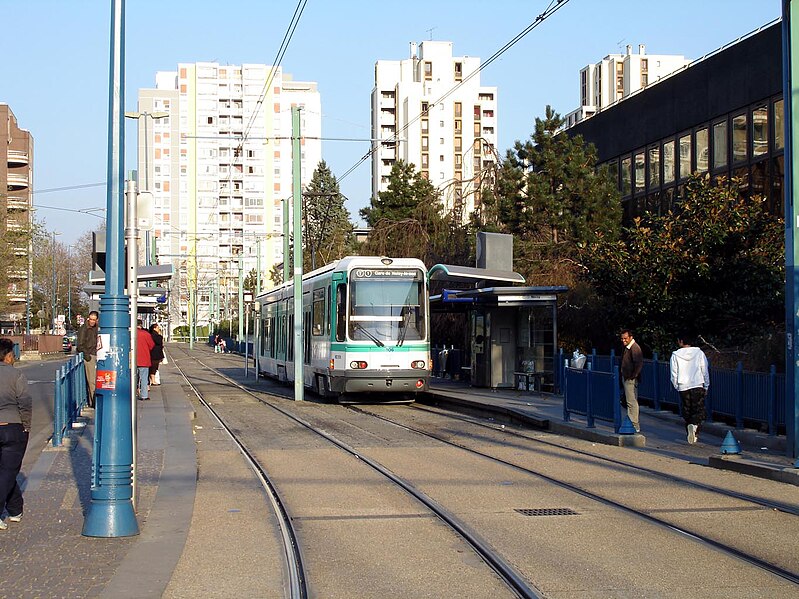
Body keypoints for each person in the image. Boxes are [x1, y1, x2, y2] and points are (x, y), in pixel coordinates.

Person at [0, 338, 32, 530]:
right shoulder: (16, 374)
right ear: (9, 356)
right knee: (7, 471)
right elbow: (25, 402)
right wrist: (26, 426)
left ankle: (15, 509)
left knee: (5, 472)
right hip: (13, 427)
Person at [670, 333, 710, 444]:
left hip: (683, 385)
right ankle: (695, 428)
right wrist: (706, 385)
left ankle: (689, 429)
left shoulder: (675, 355)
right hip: (697, 383)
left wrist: (677, 386)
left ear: (681, 341)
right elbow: (704, 369)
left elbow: (674, 373)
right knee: (698, 409)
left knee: (687, 409)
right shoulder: (699, 353)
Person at [620, 329, 643, 432]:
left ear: (630, 337)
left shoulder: (634, 348)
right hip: (627, 377)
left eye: (625, 338)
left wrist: (633, 376)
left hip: (630, 378)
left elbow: (638, 363)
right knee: (628, 401)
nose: (623, 340)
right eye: (622, 338)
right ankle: (631, 421)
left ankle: (634, 424)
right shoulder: (628, 347)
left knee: (631, 401)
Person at [77, 311, 99, 408]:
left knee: (97, 379)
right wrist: (87, 355)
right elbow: (80, 345)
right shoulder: (84, 329)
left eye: (94, 320)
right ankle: (93, 401)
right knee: (92, 380)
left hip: (97, 354)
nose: (92, 321)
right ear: (88, 318)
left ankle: (94, 400)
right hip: (90, 355)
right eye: (91, 319)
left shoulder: (97, 328)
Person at [136, 321, 155, 400]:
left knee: (133, 378)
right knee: (143, 378)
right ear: (141, 325)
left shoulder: (130, 333)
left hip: (132, 359)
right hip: (144, 359)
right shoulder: (146, 334)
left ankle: (133, 394)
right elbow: (151, 345)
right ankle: (144, 395)